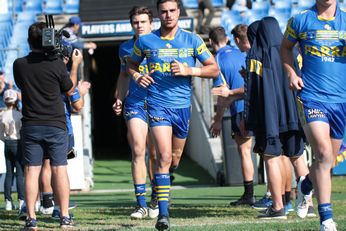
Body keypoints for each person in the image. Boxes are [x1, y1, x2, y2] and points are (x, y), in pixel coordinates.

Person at [127, 0, 219, 229]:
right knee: (163, 156)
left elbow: (213, 68)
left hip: (182, 108)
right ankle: (163, 215)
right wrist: (138, 76)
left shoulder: (192, 40)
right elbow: (131, 64)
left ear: (178, 12)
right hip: (157, 105)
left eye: (172, 11)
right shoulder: (146, 40)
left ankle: (162, 187)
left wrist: (190, 70)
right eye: (163, 11)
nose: (168, 15)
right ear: (158, 14)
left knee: (174, 159)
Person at [281, 0, 346, 229]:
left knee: (326, 162)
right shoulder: (301, 19)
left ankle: (305, 185)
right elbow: (285, 48)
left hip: (341, 100)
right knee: (324, 152)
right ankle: (326, 219)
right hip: (311, 96)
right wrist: (291, 72)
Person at [240, 17, 310, 219]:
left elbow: (251, 90)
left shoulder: (257, 54)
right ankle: (308, 204)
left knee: (272, 158)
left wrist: (248, 117)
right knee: (297, 157)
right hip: (293, 113)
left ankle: (278, 206)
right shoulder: (292, 52)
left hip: (269, 116)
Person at [13, 22, 81, 230]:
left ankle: (31, 219)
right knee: (59, 169)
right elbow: (70, 91)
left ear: (28, 41)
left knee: (31, 171)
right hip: (56, 124)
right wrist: (74, 65)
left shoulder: (19, 64)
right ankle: (65, 217)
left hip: (31, 125)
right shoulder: (57, 65)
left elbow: (21, 85)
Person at [112, 6, 159, 219]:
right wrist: (119, 98)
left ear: (151, 23)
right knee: (139, 149)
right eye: (135, 22)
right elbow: (123, 76)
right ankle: (140, 204)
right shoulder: (124, 48)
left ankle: (158, 196)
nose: (139, 26)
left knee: (161, 155)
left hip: (161, 103)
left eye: (142, 22)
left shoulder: (163, 44)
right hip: (135, 103)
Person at [38, 43, 89, 219]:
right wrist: (81, 91)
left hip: (38, 124)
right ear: (66, 58)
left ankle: (46, 202)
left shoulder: (40, 71)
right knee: (59, 168)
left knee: (44, 165)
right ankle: (60, 208)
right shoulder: (66, 75)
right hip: (61, 125)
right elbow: (77, 105)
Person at [209, 26, 255, 206]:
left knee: (245, 152)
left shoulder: (217, 60)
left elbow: (223, 94)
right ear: (227, 39)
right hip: (258, 106)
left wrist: (218, 120)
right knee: (268, 151)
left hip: (239, 109)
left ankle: (249, 194)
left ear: (211, 42)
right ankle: (279, 193)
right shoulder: (243, 52)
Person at [0, 89, 24, 211]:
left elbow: (0, 134)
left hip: (7, 143)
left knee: (9, 173)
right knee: (20, 173)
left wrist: (6, 140)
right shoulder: (19, 115)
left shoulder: (2, 115)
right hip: (18, 142)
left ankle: (8, 201)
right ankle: (21, 201)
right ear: (15, 101)